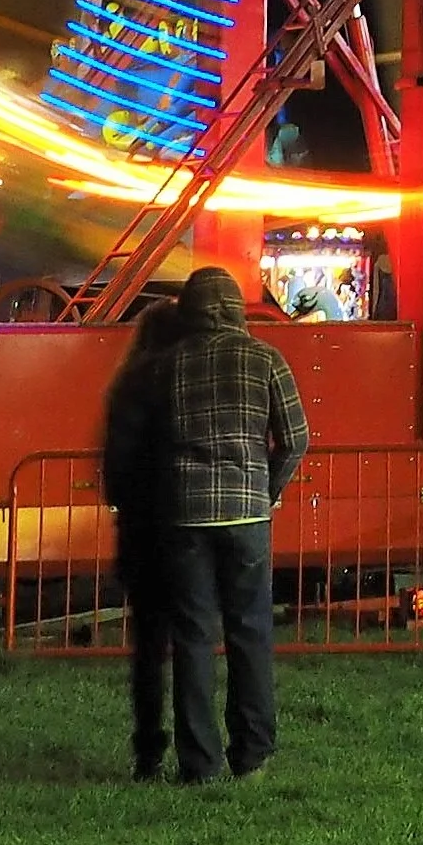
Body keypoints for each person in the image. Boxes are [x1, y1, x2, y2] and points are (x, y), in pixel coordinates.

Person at [98, 266, 310, 784]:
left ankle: (199, 763)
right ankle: (253, 756)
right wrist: (268, 487)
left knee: (193, 638)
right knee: (250, 632)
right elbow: (297, 438)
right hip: (248, 515)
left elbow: (140, 445)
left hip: (184, 517)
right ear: (237, 307)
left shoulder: (163, 366)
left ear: (189, 310)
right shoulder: (266, 358)